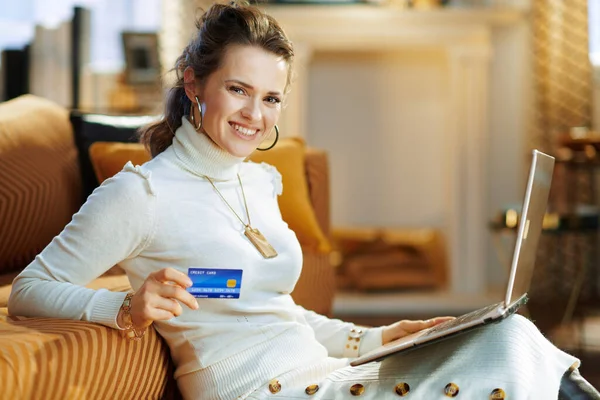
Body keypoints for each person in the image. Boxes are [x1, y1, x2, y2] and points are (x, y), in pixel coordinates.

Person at [7, 2, 600, 399]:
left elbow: (275, 312)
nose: (254, 115)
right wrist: (126, 307)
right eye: (238, 90)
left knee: (504, 335)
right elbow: (29, 292)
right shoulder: (142, 194)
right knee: (507, 351)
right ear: (193, 82)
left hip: (319, 374)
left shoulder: (259, 182)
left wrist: (377, 337)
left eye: (271, 98)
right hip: (257, 391)